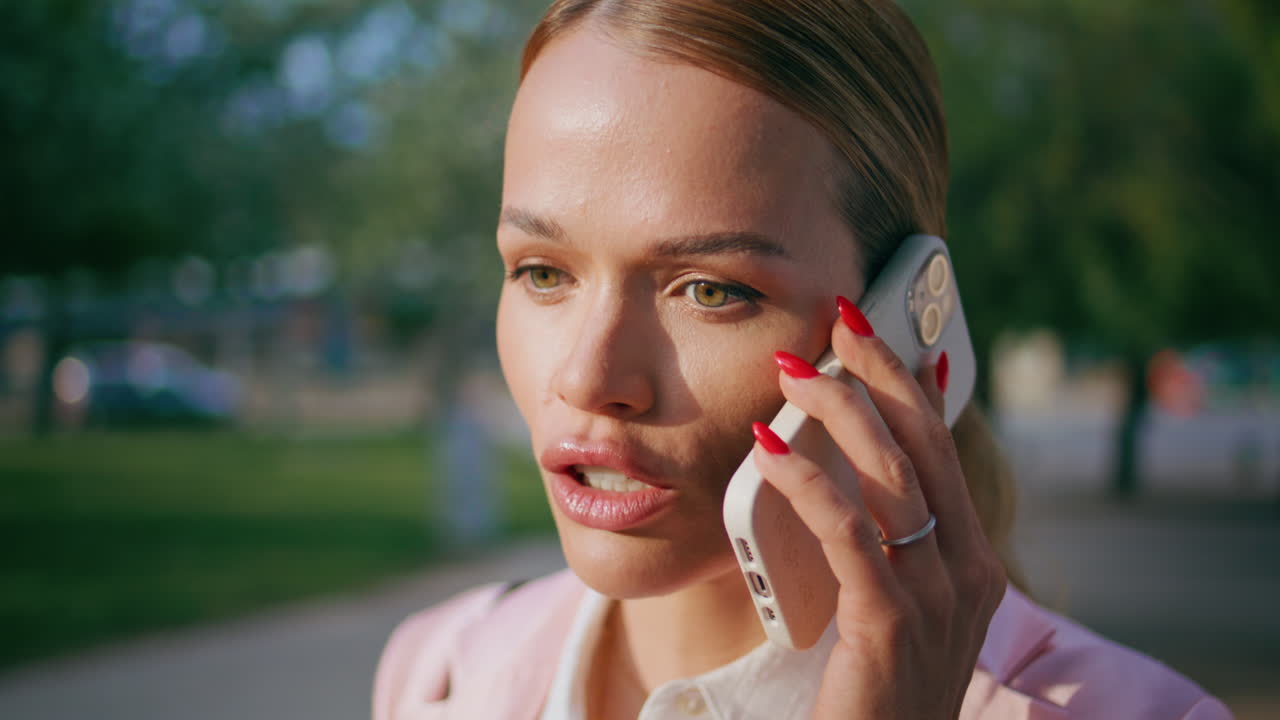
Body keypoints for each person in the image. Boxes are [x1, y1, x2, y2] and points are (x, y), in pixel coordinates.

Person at [374, 1, 1232, 718]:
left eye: (711, 291)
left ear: (904, 325)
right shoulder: (438, 674)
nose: (589, 380)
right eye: (543, 273)